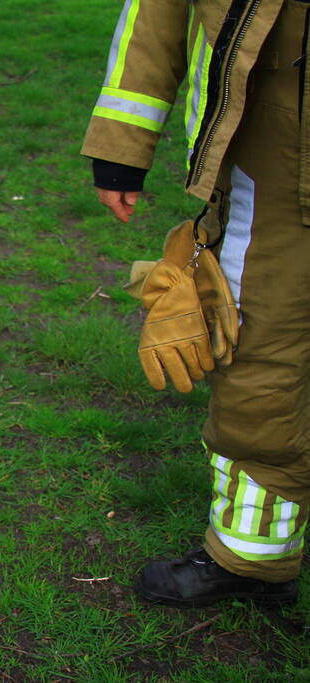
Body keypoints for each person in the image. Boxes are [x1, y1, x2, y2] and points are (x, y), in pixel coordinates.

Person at [83, 0, 308, 607]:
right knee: (257, 348)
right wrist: (121, 144)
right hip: (272, 152)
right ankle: (252, 557)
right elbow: (155, 14)